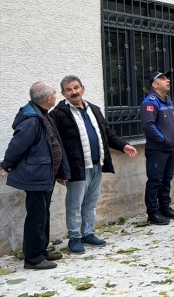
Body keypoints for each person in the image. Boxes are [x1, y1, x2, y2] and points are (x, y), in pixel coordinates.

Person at [49, 75, 137, 254]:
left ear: (83, 88)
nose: (73, 92)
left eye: (76, 88)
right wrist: (60, 171)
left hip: (97, 164)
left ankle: (87, 233)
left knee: (90, 203)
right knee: (74, 204)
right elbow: (54, 144)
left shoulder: (94, 110)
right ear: (63, 93)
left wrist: (123, 145)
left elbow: (108, 134)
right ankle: (74, 238)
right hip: (76, 168)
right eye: (69, 90)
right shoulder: (57, 115)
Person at [1, 82, 70, 269]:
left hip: (45, 174)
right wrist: (6, 165)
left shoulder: (42, 114)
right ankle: (33, 259)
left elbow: (54, 143)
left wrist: (61, 172)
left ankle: (41, 250)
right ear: (48, 99)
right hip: (36, 176)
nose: (57, 96)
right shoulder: (32, 120)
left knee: (43, 214)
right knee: (36, 217)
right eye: (55, 93)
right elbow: (17, 145)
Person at [141, 71, 174, 225]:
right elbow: (148, 125)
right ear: (154, 84)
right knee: (155, 180)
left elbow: (173, 122)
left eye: (167, 78)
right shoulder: (150, 102)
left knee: (166, 179)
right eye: (163, 78)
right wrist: (163, 140)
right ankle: (153, 213)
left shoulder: (168, 100)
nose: (168, 80)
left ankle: (164, 207)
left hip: (169, 147)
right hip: (157, 149)